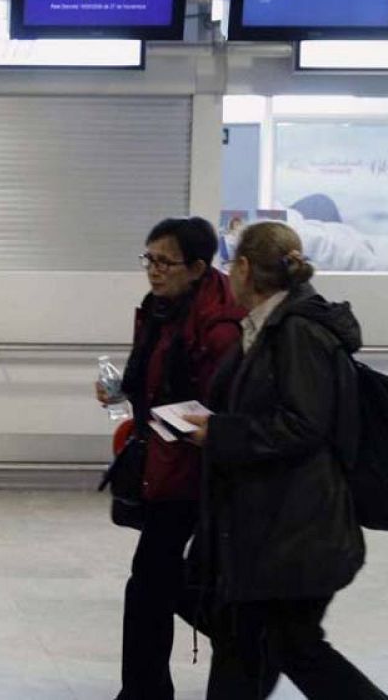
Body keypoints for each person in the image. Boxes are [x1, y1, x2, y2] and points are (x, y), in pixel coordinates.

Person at [184, 222, 388, 699]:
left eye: (229, 263)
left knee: (290, 647)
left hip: (296, 529)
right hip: (269, 526)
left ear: (245, 267)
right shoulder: (266, 327)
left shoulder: (297, 332)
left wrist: (221, 432)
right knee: (248, 649)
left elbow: (302, 423)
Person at [98, 218, 244, 700]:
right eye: (149, 259)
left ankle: (244, 646)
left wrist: (178, 423)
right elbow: (154, 380)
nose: (154, 271)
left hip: (204, 470)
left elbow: (223, 403)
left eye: (165, 262)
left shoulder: (220, 325)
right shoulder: (158, 309)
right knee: (155, 582)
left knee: (153, 583)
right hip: (165, 460)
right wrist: (121, 390)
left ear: (198, 267)